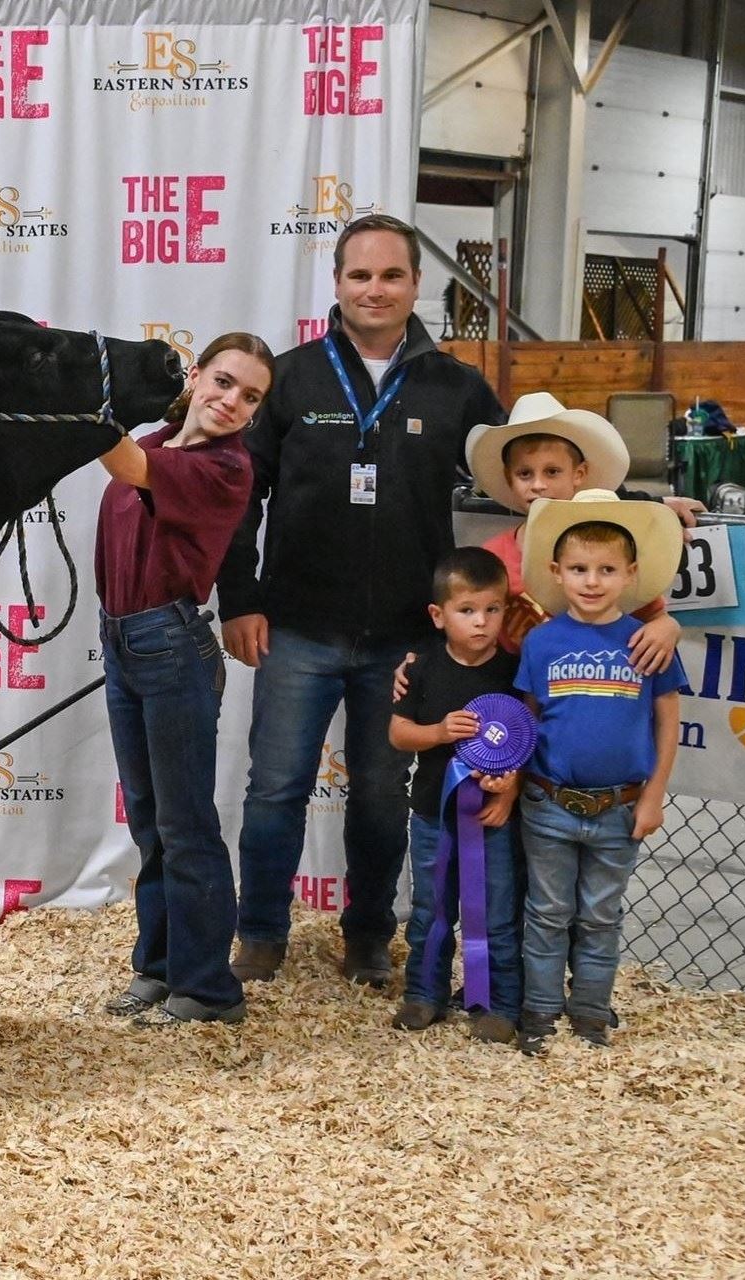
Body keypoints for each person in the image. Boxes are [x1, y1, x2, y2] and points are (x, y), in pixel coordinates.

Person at [216, 212, 506, 988]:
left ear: (417, 284)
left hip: (408, 639)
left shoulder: (458, 387)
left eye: (390, 275)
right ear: (336, 284)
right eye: (358, 275)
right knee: (275, 787)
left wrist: (632, 507)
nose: (374, 289)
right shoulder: (291, 377)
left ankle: (370, 936)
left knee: (382, 795)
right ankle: (260, 934)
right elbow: (239, 496)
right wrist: (238, 601)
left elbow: (530, 472)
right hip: (297, 630)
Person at [96, 332, 275, 1027]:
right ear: (196, 375)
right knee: (150, 820)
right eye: (225, 382)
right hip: (123, 640)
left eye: (250, 397)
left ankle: (208, 986)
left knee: (185, 822)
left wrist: (84, 404)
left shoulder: (227, 469)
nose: (232, 402)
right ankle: (161, 965)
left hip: (168, 645)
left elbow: (126, 462)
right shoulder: (163, 438)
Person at [513, 490, 685, 1055]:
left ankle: (589, 1012)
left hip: (620, 806)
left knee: (600, 916)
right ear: (557, 573)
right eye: (580, 569)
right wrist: (508, 779)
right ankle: (539, 1012)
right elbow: (526, 722)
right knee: (547, 912)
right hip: (548, 804)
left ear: (631, 575)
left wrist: (654, 795)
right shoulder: (541, 643)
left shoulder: (646, 640)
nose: (592, 581)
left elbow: (667, 722)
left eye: (607, 570)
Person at [389, 547, 522, 1044]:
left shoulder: (515, 673)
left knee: (497, 913)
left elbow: (528, 742)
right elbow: (399, 735)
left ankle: (498, 1004)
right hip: (431, 815)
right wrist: (441, 732)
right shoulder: (420, 670)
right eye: (467, 611)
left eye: (492, 609)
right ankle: (424, 995)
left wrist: (510, 791)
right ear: (438, 616)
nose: (481, 622)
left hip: (493, 816)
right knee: (432, 909)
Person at [465, 392, 685, 671]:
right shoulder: (492, 557)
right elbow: (466, 622)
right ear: (510, 479)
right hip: (515, 695)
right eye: (525, 474)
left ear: (579, 474)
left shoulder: (607, 547)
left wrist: (668, 627)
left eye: (552, 471)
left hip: (594, 688)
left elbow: (651, 610)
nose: (538, 485)